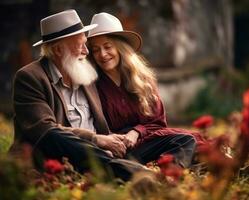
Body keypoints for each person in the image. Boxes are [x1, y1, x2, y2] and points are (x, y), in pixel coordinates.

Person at [10, 9, 147, 181]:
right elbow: (46, 132)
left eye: (85, 44)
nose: (86, 51)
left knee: (179, 140)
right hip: (60, 158)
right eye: (80, 45)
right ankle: (133, 173)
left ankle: (141, 169)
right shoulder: (30, 77)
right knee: (54, 135)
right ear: (59, 50)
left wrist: (125, 135)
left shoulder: (84, 72)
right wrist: (96, 139)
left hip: (101, 152)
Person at [87, 12, 198, 168]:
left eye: (107, 46)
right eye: (96, 50)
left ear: (120, 48)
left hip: (147, 142)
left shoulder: (142, 79)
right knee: (187, 143)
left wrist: (136, 132)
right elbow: (92, 125)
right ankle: (164, 172)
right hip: (115, 150)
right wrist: (116, 139)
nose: (102, 54)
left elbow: (158, 122)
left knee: (190, 140)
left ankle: (169, 172)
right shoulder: (91, 84)